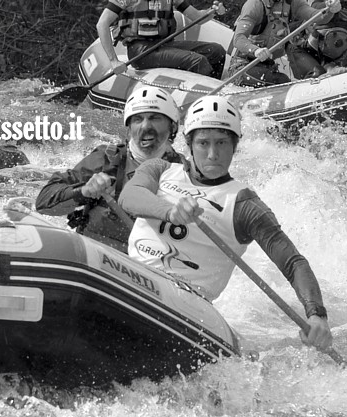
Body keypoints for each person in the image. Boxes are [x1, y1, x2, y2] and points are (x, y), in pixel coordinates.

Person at [117, 95, 333, 350]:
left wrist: (317, 315)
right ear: (189, 145)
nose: (212, 154)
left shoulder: (244, 205)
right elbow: (129, 197)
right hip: (132, 277)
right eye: (203, 143)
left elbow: (293, 262)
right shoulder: (159, 168)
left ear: (235, 147)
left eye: (221, 143)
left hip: (188, 302)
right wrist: (170, 211)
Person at [35, 86, 183, 251]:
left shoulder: (184, 172)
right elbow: (43, 203)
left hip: (149, 266)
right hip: (98, 256)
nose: (145, 126)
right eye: (138, 119)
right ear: (129, 128)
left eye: (155, 118)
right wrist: (84, 191)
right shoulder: (107, 160)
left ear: (173, 127)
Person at [96, 0, 227, 79]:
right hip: (141, 51)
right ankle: (206, 102)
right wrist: (114, 61)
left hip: (165, 45)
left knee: (216, 51)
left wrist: (213, 11)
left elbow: (198, 17)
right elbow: (102, 24)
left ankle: (217, 90)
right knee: (198, 61)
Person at [229, 0, 342, 86]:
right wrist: (256, 50)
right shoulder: (255, 5)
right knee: (282, 81)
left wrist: (330, 10)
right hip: (243, 66)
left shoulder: (292, 3)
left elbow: (317, 16)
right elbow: (238, 39)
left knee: (282, 80)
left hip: (267, 66)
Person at [289, 0, 347, 77]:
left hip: (345, 52)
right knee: (335, 37)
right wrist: (328, 6)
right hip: (313, 49)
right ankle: (327, 67)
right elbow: (313, 8)